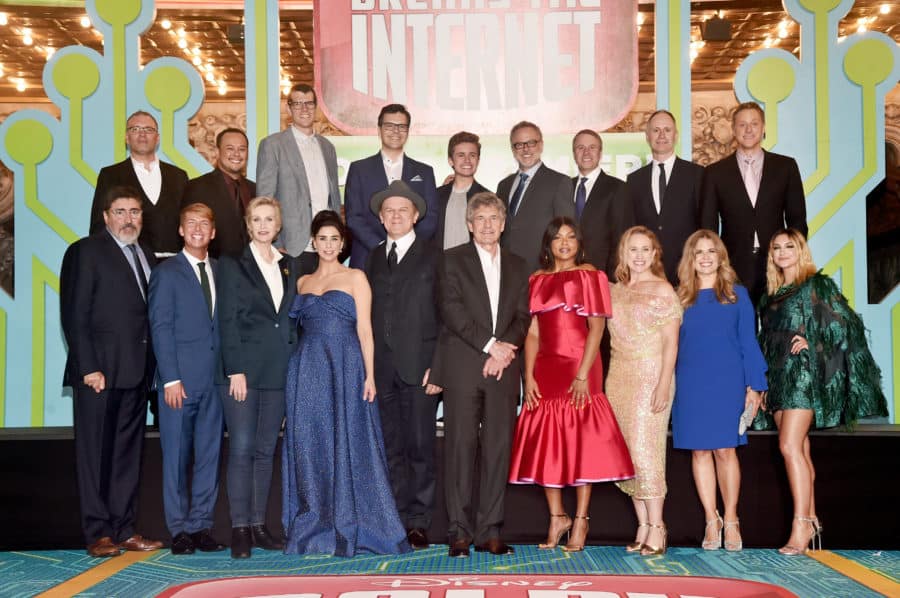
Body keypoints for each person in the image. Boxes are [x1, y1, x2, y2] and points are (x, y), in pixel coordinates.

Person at [282, 210, 410, 556]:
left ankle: (358, 521)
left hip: (347, 367)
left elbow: (365, 331)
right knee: (311, 444)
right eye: (322, 239)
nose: (327, 245)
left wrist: (369, 375)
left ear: (342, 244)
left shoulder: (356, 277)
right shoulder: (302, 282)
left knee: (352, 441)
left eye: (334, 239)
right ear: (313, 241)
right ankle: (315, 523)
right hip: (308, 370)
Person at [755, 228, 887, 555]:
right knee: (800, 448)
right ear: (771, 254)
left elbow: (848, 325)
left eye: (790, 246)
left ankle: (800, 525)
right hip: (779, 379)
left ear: (801, 251)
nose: (783, 252)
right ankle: (812, 518)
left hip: (802, 378)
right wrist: (762, 383)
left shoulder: (814, 285)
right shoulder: (770, 296)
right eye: (777, 247)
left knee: (788, 447)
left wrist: (815, 343)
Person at [508, 217, 634, 553]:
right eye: (558, 237)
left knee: (582, 442)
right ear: (548, 244)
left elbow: (596, 329)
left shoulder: (591, 275)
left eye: (571, 237)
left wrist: (582, 374)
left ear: (580, 242)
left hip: (582, 365)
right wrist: (529, 374)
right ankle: (556, 516)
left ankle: (581, 520)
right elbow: (533, 332)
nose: (564, 242)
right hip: (546, 368)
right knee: (547, 439)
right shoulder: (536, 279)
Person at [60, 185, 163, 558]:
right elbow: (74, 314)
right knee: (95, 456)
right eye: (120, 212)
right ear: (105, 216)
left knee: (126, 456)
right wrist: (88, 367)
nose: (128, 219)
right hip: (99, 375)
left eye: (135, 212)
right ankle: (98, 532)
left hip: (136, 373)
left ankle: (124, 529)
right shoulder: (85, 251)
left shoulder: (146, 254)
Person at [426, 192, 531, 558]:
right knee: (459, 449)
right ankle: (458, 531)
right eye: (480, 218)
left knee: (498, 450)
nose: (487, 225)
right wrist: (491, 346)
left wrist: (503, 352)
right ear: (469, 224)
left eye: (494, 218)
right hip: (464, 366)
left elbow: (523, 317)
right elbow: (450, 311)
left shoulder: (520, 265)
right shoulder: (451, 260)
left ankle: (490, 530)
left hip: (502, 370)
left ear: (503, 224)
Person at [217, 197, 306, 559]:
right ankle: (239, 528)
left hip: (279, 371)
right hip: (242, 372)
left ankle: (258, 525)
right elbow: (226, 319)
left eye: (270, 218)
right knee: (240, 449)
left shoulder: (290, 265)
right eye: (257, 219)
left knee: (265, 450)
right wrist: (234, 368)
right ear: (248, 225)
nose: (264, 224)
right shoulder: (232, 264)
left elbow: (290, 318)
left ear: (278, 223)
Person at [672, 230, 768, 552]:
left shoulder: (737, 295)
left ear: (720, 256)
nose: (705, 257)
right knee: (699, 451)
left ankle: (732, 518)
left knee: (726, 451)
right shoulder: (679, 297)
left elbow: (748, 343)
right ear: (691, 258)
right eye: (698, 252)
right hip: (690, 383)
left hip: (727, 382)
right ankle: (710, 520)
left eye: (711, 251)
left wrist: (755, 386)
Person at [364, 181, 442, 550]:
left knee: (420, 447)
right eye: (389, 211)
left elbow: (447, 316)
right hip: (382, 370)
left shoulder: (435, 255)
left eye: (403, 210)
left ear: (415, 216)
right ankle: (394, 518)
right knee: (390, 447)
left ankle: (419, 521)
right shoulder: (373, 257)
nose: (396, 216)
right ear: (381, 218)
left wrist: (437, 365)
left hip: (420, 368)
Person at [148, 203, 225, 555]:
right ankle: (178, 529)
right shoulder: (166, 272)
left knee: (209, 457)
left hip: (214, 383)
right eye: (190, 223)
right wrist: (170, 379)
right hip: (179, 384)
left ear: (213, 232)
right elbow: (160, 327)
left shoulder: (223, 272)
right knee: (176, 459)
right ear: (181, 230)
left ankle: (200, 526)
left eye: (204, 224)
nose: (197, 229)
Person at [606, 226, 681, 556]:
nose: (638, 255)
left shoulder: (663, 289)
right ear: (624, 253)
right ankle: (642, 525)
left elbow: (671, 344)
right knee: (628, 455)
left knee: (647, 450)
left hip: (651, 374)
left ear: (654, 254)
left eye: (644, 250)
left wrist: (664, 382)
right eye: (632, 249)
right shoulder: (614, 290)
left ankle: (658, 526)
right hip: (618, 376)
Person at [701, 101, 807, 305]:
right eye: (742, 125)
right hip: (732, 266)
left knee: (778, 329)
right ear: (733, 130)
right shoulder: (715, 173)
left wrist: (793, 262)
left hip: (778, 264)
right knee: (738, 329)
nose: (748, 130)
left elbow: (797, 219)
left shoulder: (785, 166)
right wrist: (715, 266)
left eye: (754, 124)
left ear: (764, 127)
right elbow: (708, 226)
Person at [256, 83, 341, 266]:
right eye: (297, 104)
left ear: (315, 107)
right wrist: (275, 243)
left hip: (325, 247)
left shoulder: (328, 147)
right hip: (291, 247)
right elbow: (265, 199)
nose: (304, 109)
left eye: (309, 103)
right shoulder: (273, 145)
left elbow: (333, 198)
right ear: (288, 108)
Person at [345, 104, 438, 268]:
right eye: (389, 126)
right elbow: (354, 217)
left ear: (408, 131)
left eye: (402, 126)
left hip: (413, 260)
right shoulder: (359, 169)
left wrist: (408, 247)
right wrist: (382, 247)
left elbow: (430, 217)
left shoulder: (424, 171)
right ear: (379, 129)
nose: (396, 131)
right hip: (368, 257)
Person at [90, 111, 188, 257]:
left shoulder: (178, 176)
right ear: (127, 138)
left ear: (157, 138)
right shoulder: (110, 175)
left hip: (174, 264)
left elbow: (188, 220)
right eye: (135, 129)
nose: (142, 134)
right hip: (130, 264)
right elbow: (99, 225)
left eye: (148, 129)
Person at [626, 110, 704, 285]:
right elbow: (632, 228)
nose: (661, 135)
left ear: (675, 136)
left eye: (667, 130)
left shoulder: (696, 174)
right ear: (647, 136)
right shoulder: (634, 180)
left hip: (686, 270)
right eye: (655, 130)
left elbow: (704, 224)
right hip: (647, 270)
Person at [496, 121, 574, 270]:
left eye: (531, 143)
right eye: (519, 144)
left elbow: (566, 232)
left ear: (541, 145)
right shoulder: (503, 185)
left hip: (542, 269)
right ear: (513, 149)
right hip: (506, 268)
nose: (525, 149)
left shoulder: (559, 182)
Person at [184, 128, 256, 258]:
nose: (236, 154)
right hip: (214, 269)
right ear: (217, 152)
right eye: (230, 148)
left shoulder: (255, 189)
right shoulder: (198, 187)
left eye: (242, 149)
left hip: (251, 270)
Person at [571, 130, 630, 277]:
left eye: (592, 147)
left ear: (600, 153)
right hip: (567, 275)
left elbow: (620, 237)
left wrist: (611, 278)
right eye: (580, 148)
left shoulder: (617, 188)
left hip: (602, 275)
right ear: (574, 154)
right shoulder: (564, 187)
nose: (586, 152)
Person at [435, 131, 488, 251]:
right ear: (451, 161)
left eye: (472, 155)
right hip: (440, 266)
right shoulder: (436, 196)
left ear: (478, 160)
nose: (467, 160)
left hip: (472, 267)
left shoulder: (487, 198)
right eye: (461, 155)